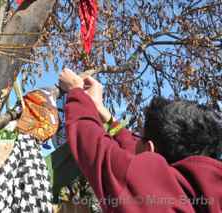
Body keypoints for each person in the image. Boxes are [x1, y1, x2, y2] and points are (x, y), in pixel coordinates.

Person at [58, 68, 222, 213]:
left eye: (140, 137)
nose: (134, 138)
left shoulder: (149, 195)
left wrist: (75, 91)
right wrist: (106, 117)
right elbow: (130, 143)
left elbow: (89, 139)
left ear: (150, 151)